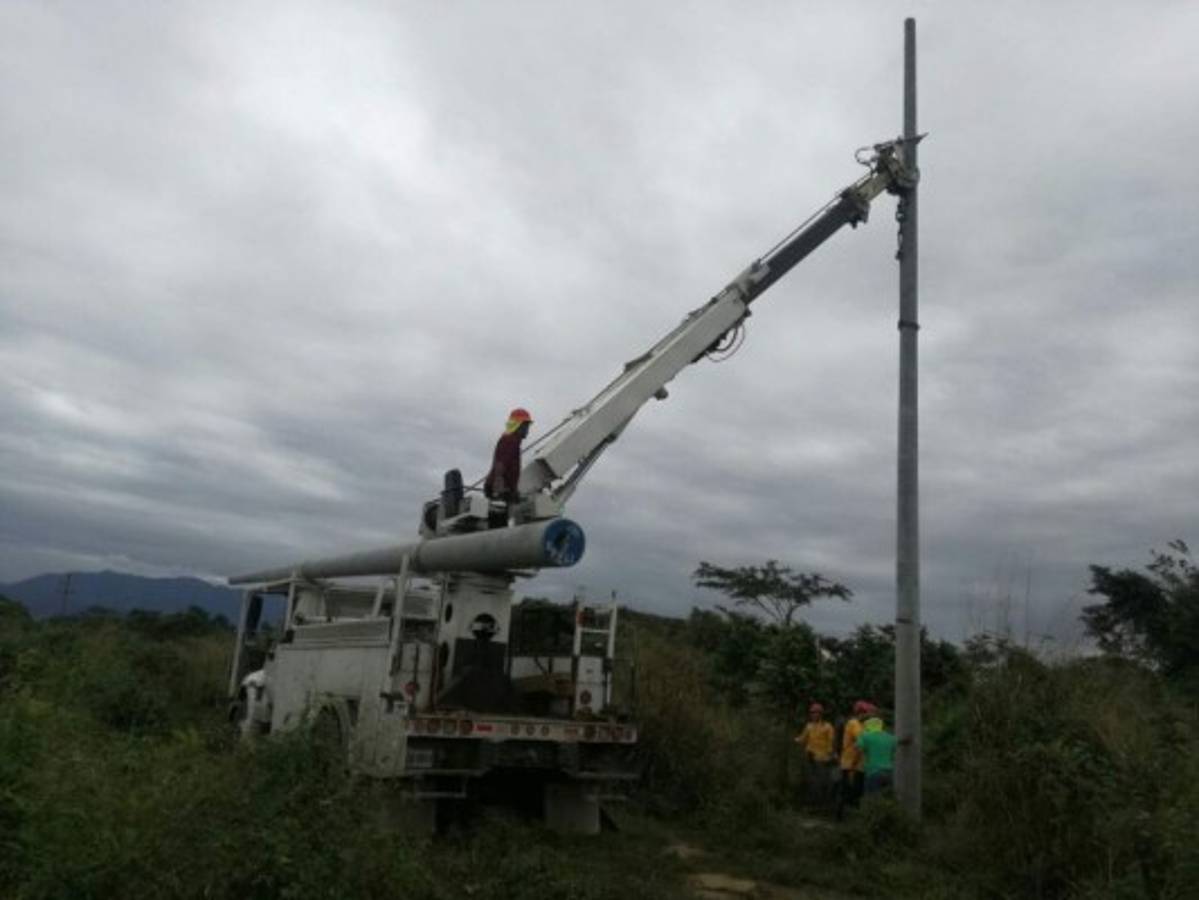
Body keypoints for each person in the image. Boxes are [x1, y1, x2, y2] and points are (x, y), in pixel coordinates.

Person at [483, 408, 533, 515]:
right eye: (526, 426)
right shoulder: (510, 440)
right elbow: (501, 463)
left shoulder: (512, 440)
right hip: (500, 489)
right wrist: (499, 490)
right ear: (518, 425)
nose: (527, 430)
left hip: (503, 488)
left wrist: (513, 490)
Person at [835, 700, 873, 818]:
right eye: (867, 713)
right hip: (851, 764)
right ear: (861, 713)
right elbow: (861, 739)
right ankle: (840, 817)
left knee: (857, 791)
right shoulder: (854, 723)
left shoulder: (861, 724)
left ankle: (852, 818)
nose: (869, 716)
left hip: (858, 764)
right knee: (847, 791)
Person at [794, 702, 836, 805]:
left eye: (816, 713)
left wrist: (831, 754)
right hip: (810, 757)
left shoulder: (828, 727)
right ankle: (812, 802)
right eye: (812, 713)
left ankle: (823, 802)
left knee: (823, 781)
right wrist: (795, 740)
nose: (813, 715)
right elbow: (802, 739)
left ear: (821, 714)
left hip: (823, 758)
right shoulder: (808, 726)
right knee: (811, 781)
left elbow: (831, 742)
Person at [856, 714, 897, 795]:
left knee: (872, 800)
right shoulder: (891, 738)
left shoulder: (865, 736)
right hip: (889, 772)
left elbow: (858, 749)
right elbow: (894, 752)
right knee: (887, 800)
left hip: (873, 772)